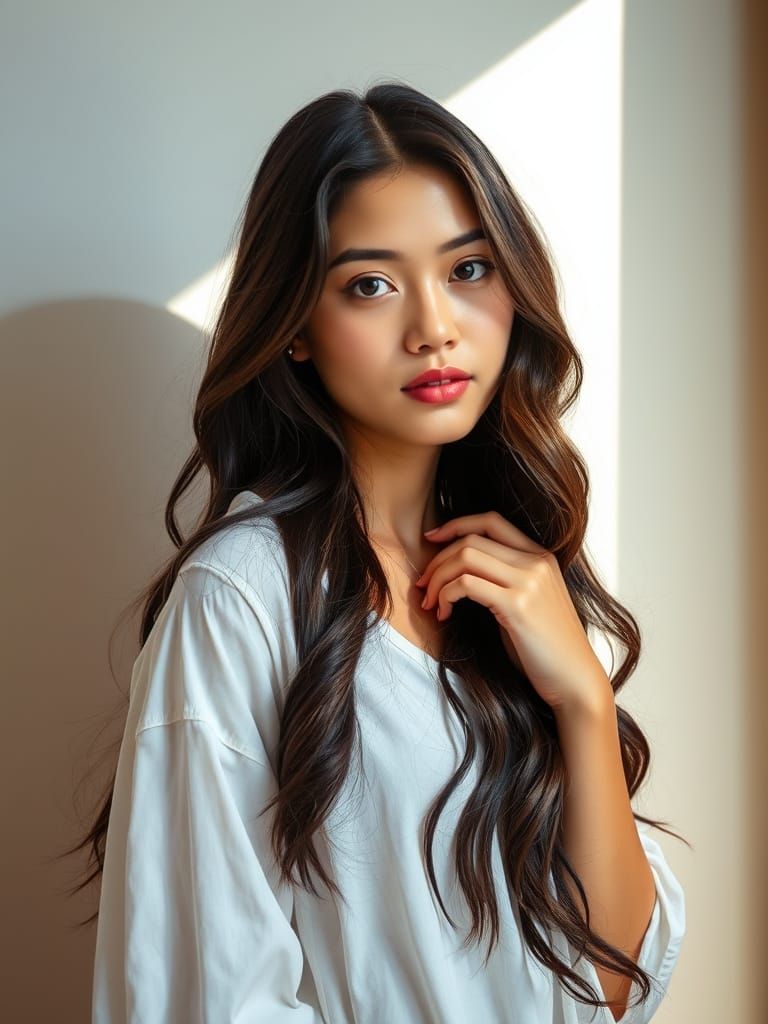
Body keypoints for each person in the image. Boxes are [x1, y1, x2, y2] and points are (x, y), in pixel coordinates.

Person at [80, 81, 687, 1022]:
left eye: (469, 270)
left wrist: (583, 701)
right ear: (294, 331)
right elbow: (206, 999)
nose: (434, 325)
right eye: (371, 284)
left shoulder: (515, 581)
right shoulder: (242, 597)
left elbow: (610, 986)